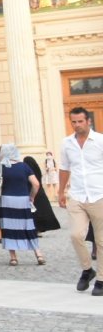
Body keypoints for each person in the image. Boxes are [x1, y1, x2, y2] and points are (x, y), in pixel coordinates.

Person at [58, 107, 103, 295]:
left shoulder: (100, 141)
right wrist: (61, 191)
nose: (77, 125)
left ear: (88, 121)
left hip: (99, 194)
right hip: (76, 195)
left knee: (101, 240)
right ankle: (87, 269)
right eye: (74, 122)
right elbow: (64, 168)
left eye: (80, 121)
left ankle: (101, 279)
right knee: (76, 235)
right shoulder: (67, 143)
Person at [0, 144, 45, 266]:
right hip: (23, 200)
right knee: (28, 226)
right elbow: (36, 184)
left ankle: (13, 258)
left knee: (8, 228)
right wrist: (31, 197)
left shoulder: (0, 167)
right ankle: (38, 255)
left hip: (6, 200)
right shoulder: (24, 166)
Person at [23, 155, 61, 234]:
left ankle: (35, 229)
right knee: (41, 212)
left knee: (34, 213)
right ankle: (39, 229)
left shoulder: (28, 172)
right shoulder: (37, 170)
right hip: (40, 192)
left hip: (32, 192)